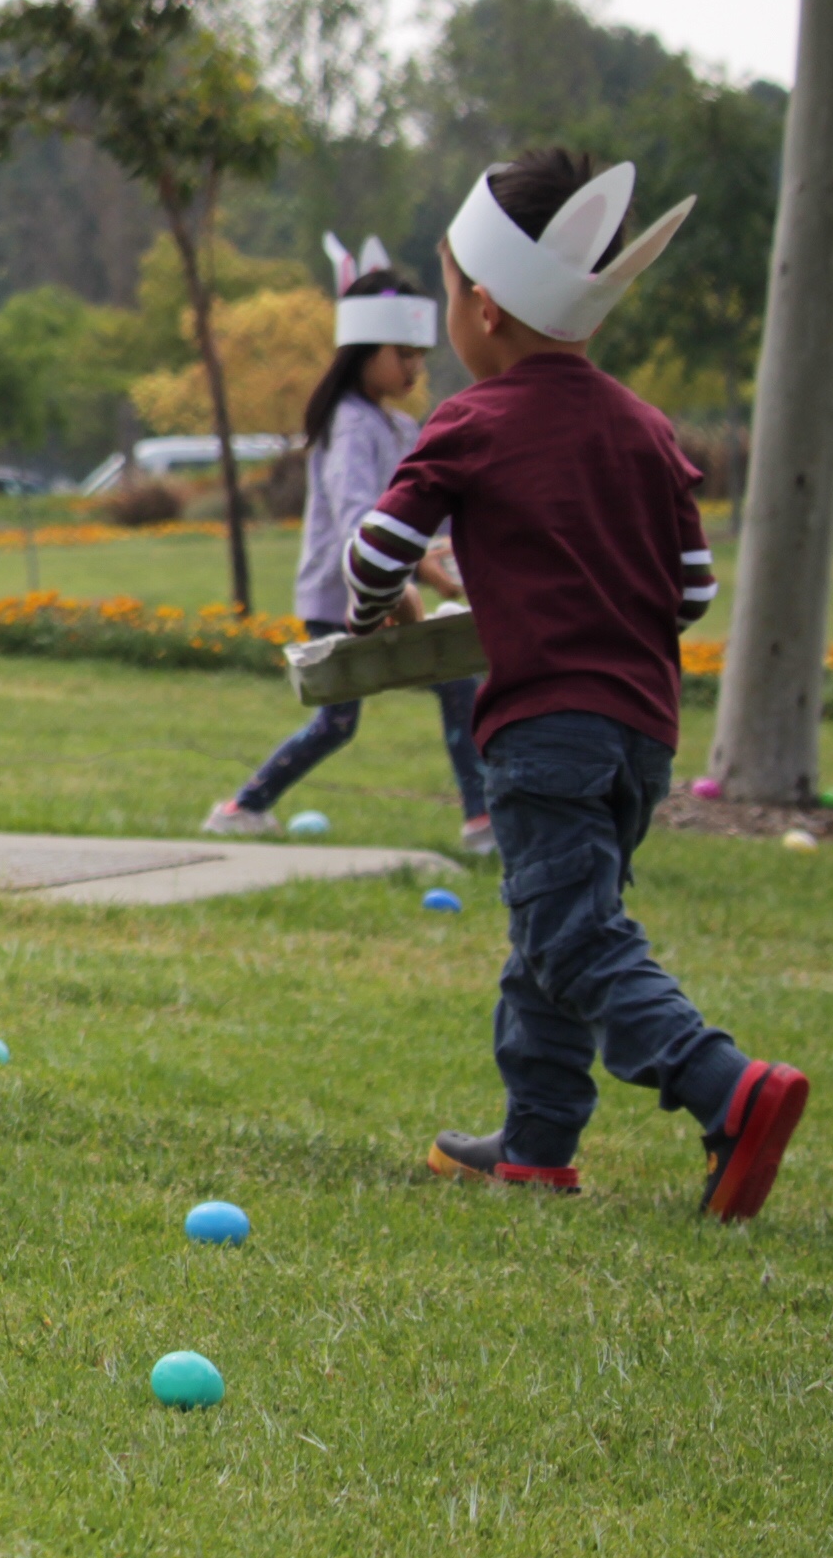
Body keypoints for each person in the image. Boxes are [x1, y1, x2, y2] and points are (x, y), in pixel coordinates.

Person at [345, 147, 807, 1219]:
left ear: (485, 306)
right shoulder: (645, 426)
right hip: (642, 735)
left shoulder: (473, 421)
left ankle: (726, 1088)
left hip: (545, 727)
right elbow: (691, 590)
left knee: (570, 933)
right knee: (552, 925)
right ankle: (536, 1144)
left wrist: (374, 620)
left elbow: (375, 553)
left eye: (449, 293)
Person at [204, 237, 491, 851]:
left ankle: (480, 819)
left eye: (420, 357)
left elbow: (421, 510)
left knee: (431, 693)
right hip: (342, 600)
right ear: (363, 352)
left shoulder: (400, 426)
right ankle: (241, 807)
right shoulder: (350, 426)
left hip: (387, 591)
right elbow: (357, 521)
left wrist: (449, 551)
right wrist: (425, 570)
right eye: (403, 355)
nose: (414, 369)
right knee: (347, 718)